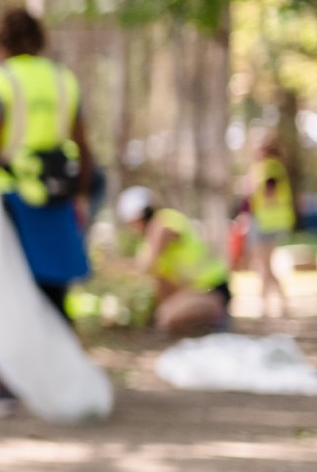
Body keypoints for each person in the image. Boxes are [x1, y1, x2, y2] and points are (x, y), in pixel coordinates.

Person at [0, 7, 94, 417]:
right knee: (54, 288)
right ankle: (57, 378)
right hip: (55, 196)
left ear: (1, 43)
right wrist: (81, 195)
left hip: (13, 196)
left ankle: (7, 382)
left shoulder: (1, 79)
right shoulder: (62, 80)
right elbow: (84, 146)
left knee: (6, 290)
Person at [115, 185, 230, 336]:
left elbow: (146, 264)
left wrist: (119, 269)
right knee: (163, 305)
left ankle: (216, 315)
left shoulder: (164, 222)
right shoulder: (149, 238)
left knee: (166, 317)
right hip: (195, 290)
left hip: (211, 289)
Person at [242, 133, 298, 319]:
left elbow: (268, 192)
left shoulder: (269, 167)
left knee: (263, 265)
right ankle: (275, 302)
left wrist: (250, 187)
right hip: (269, 221)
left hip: (267, 222)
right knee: (264, 265)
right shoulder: (268, 167)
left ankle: (267, 305)